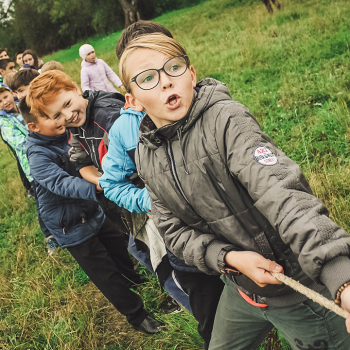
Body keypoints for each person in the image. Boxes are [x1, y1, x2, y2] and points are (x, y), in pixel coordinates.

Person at [119, 33, 350, 349]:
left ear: (191, 74)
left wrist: (343, 277)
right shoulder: (146, 156)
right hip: (239, 287)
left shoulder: (226, 120)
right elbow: (173, 232)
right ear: (131, 100)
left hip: (296, 289)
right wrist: (229, 258)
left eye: (173, 67)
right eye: (147, 78)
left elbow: (281, 193)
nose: (165, 82)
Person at [100, 21, 224, 348]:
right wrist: (150, 202)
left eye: (169, 62)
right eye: (147, 72)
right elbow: (111, 184)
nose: (164, 79)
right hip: (185, 246)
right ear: (132, 85)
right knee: (212, 319)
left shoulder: (211, 110)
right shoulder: (126, 131)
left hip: (231, 231)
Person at [26, 71, 164, 334]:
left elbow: (86, 156)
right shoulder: (37, 155)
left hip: (94, 210)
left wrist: (102, 184)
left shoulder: (79, 124)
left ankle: (135, 279)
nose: (63, 118)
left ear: (76, 90)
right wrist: (103, 185)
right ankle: (137, 315)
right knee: (104, 271)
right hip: (70, 226)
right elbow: (62, 183)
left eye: (64, 107)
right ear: (35, 125)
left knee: (121, 248)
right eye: (54, 116)